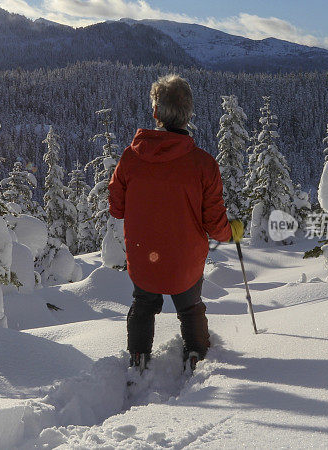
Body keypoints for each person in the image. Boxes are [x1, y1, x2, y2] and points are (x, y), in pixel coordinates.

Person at [108, 74, 244, 372]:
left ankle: (138, 359)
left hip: (144, 256)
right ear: (188, 114)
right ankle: (195, 355)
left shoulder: (130, 159)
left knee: (143, 305)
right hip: (186, 260)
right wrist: (232, 231)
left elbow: (116, 209)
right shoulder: (203, 164)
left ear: (155, 112)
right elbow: (214, 223)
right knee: (190, 307)